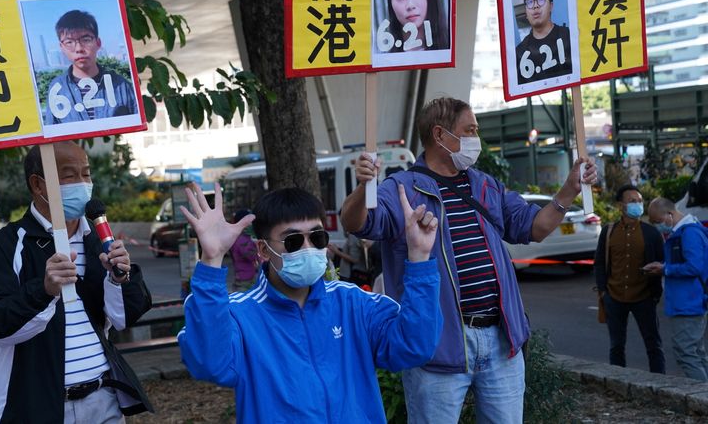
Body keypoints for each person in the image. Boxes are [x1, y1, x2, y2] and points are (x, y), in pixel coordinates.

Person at [341, 96, 597, 423]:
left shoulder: (484, 184)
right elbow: (356, 223)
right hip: (437, 347)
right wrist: (365, 189)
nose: (477, 138)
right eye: (470, 129)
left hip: (500, 342)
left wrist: (569, 190)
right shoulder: (402, 188)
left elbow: (535, 227)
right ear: (440, 135)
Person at [178, 184, 443, 423]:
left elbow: (414, 347)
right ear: (262, 250)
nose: (308, 248)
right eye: (293, 241)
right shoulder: (239, 314)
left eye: (317, 237)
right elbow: (209, 364)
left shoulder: (352, 303)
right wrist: (211, 260)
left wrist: (419, 259)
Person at [0, 141, 153, 422]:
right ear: (38, 185)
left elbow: (123, 318)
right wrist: (43, 290)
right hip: (36, 405)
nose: (82, 184)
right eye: (69, 176)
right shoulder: (6, 244)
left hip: (103, 398)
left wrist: (120, 278)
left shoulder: (95, 239)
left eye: (86, 174)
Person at [594, 185, 665, 373]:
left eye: (640, 200)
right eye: (632, 201)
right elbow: (599, 262)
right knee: (616, 347)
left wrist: (655, 295)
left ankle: (660, 387)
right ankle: (619, 383)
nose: (637, 204)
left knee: (654, 346)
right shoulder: (608, 232)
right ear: (621, 205)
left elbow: (662, 263)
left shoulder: (652, 233)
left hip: (644, 298)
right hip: (614, 298)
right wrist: (603, 291)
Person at [644, 197, 708, 380]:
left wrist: (666, 269)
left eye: (658, 221)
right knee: (696, 352)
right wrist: (664, 266)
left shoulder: (689, 233)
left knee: (686, 353)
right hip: (689, 300)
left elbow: (694, 266)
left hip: (689, 302)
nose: (658, 226)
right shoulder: (684, 232)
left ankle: (700, 399)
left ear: (669, 214)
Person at [44, 10, 138, 124]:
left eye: (86, 39)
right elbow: (52, 133)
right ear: (62, 47)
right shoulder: (57, 89)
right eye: (69, 42)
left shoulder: (121, 85)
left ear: (98, 43)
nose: (79, 48)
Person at [514, 0, 572, 85]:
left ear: (551, 5)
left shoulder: (568, 36)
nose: (535, 6)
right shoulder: (520, 53)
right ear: (526, 11)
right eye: (530, 2)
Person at [229, 208, 258, 291]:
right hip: (245, 279)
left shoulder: (241, 237)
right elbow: (250, 256)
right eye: (250, 221)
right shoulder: (241, 239)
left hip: (244, 276)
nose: (252, 223)